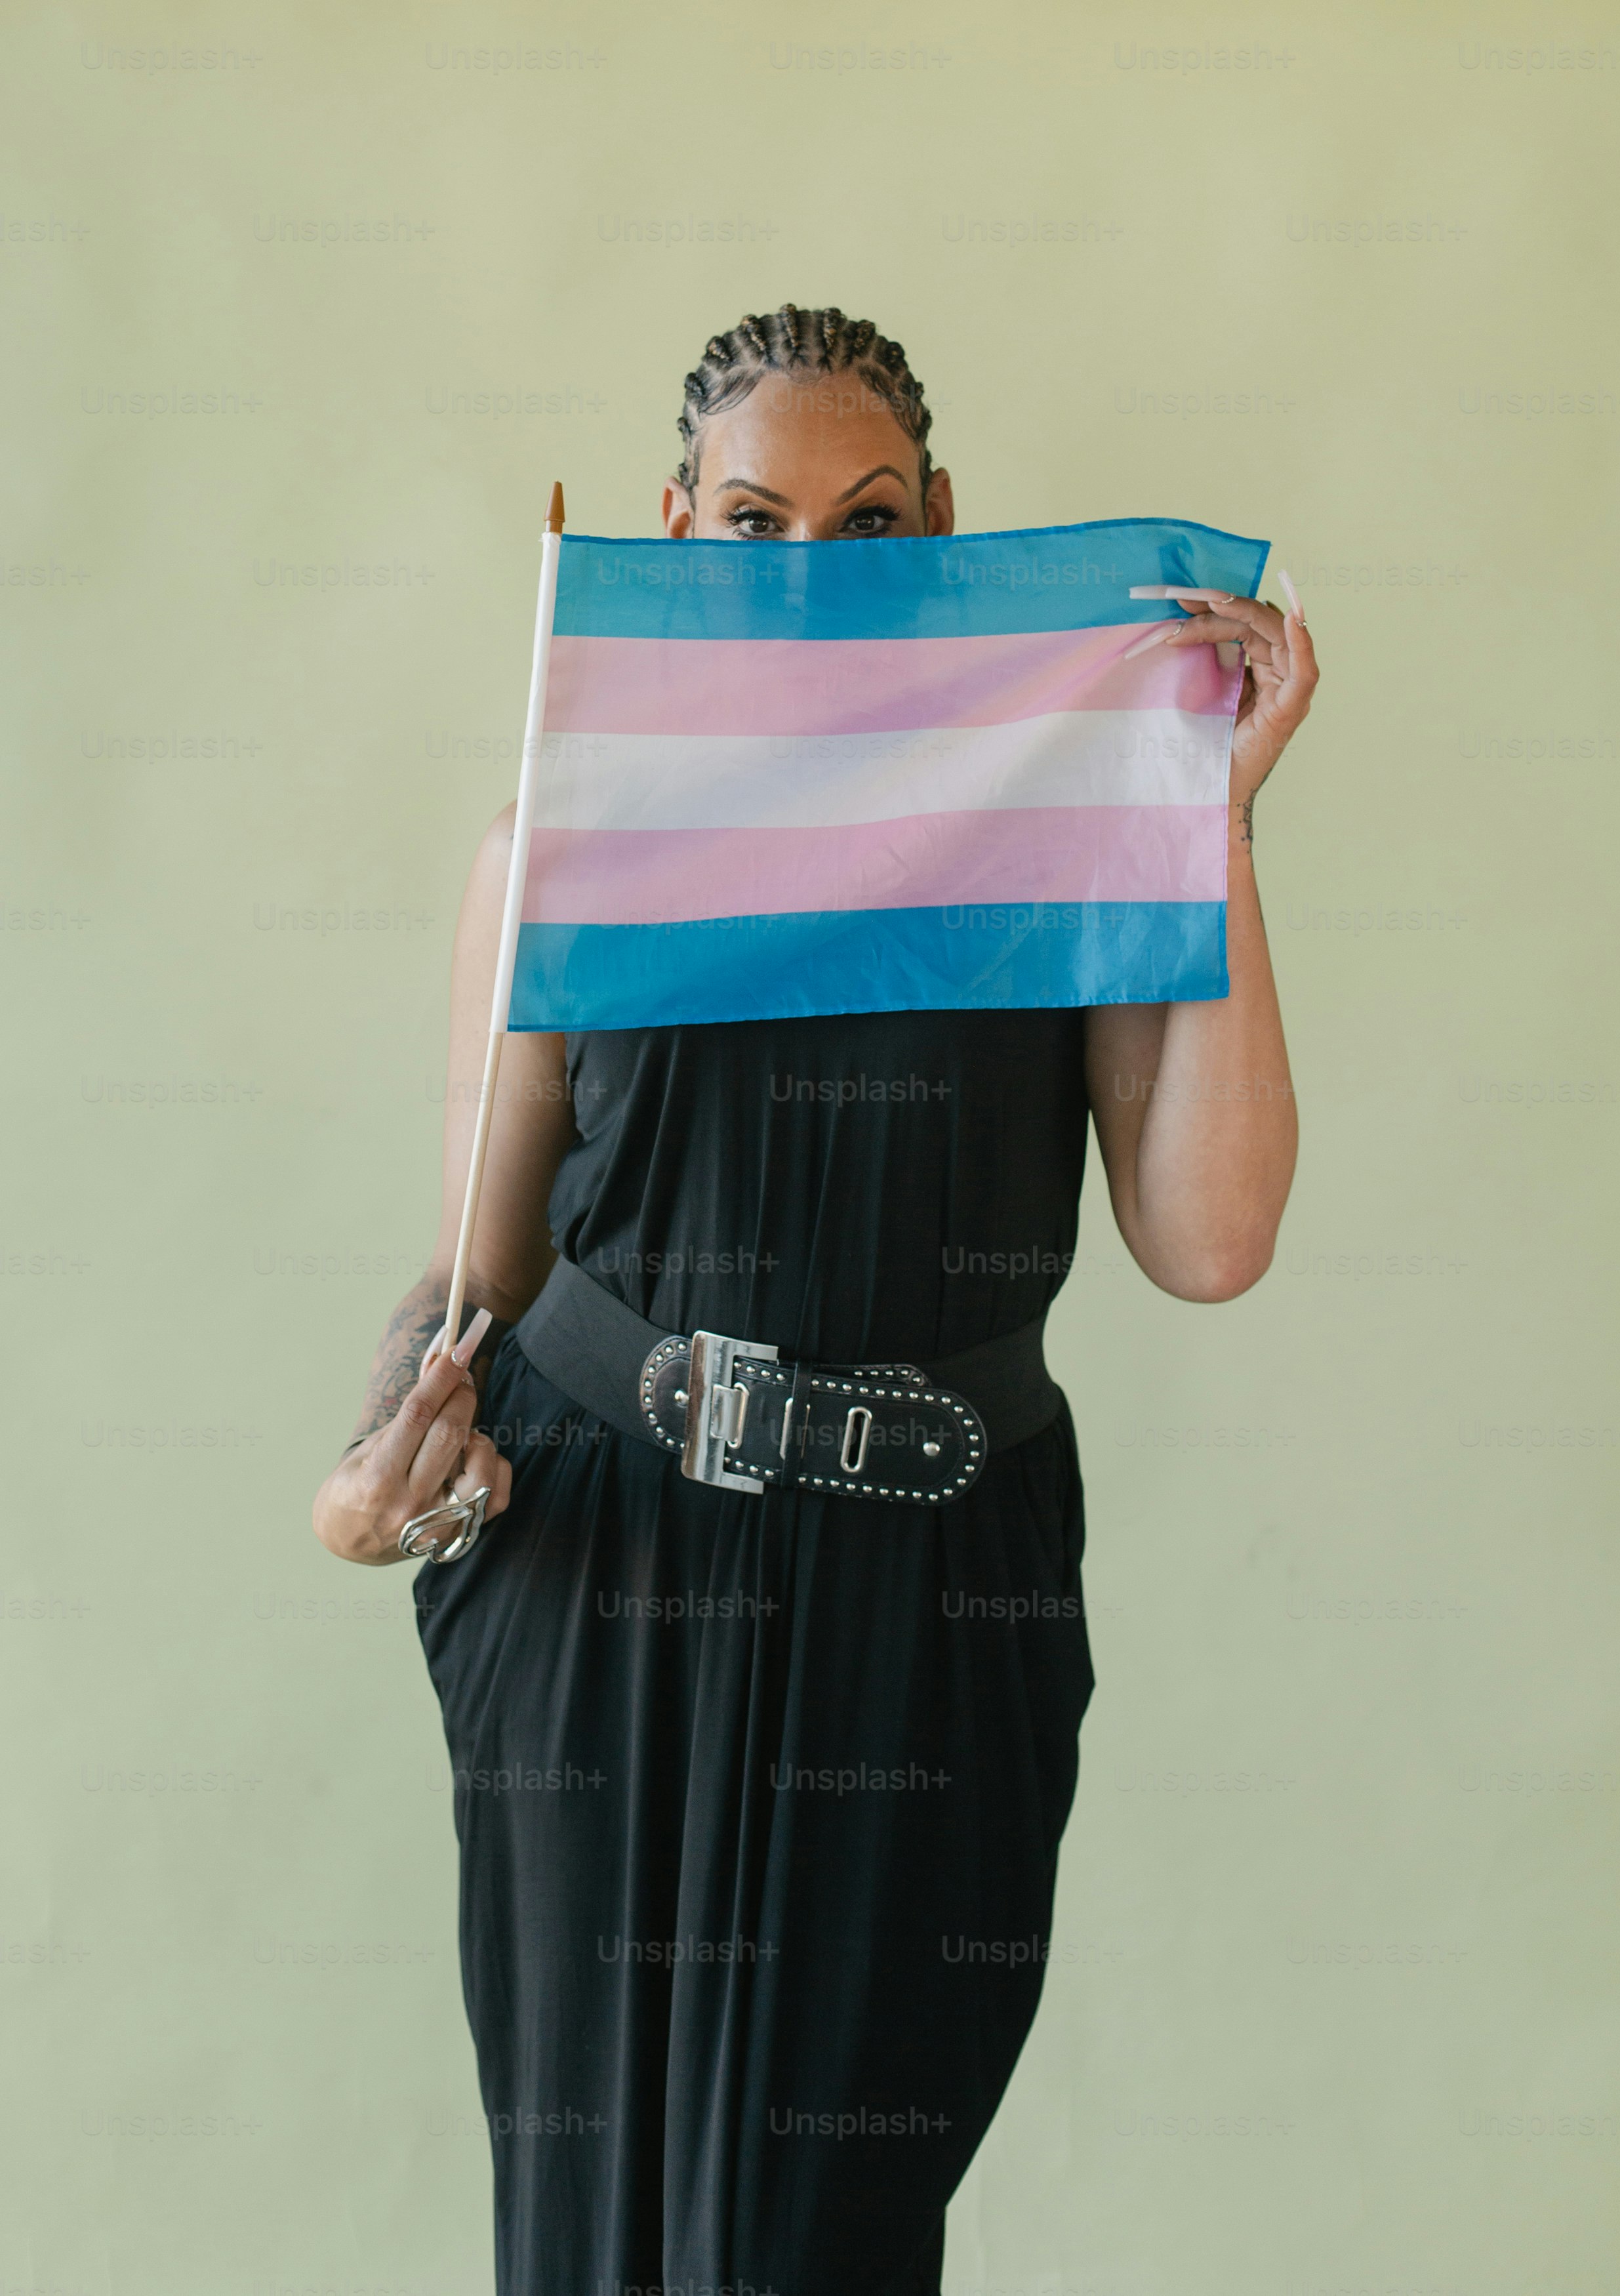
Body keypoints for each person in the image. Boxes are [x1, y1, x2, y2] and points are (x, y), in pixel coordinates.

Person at [312, 304, 1314, 2295]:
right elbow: (484, 1270)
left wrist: (1211, 811)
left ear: (941, 528)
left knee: (809, 2248)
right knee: (590, 2244)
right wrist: (368, 1481)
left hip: (926, 1612)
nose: (805, 572)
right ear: (671, 534)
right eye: (749, 523)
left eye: (864, 524)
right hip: (591, 1588)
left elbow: (1206, 1239)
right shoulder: (555, 847)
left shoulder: (1068, 853)